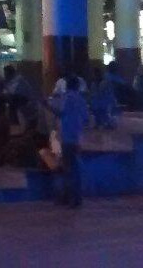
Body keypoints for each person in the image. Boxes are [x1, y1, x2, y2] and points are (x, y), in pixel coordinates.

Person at [42, 75, 90, 207]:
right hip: (77, 138)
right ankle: (77, 198)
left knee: (67, 169)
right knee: (76, 169)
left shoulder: (67, 98)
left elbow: (59, 111)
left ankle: (68, 198)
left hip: (67, 137)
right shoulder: (81, 99)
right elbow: (86, 119)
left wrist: (46, 105)